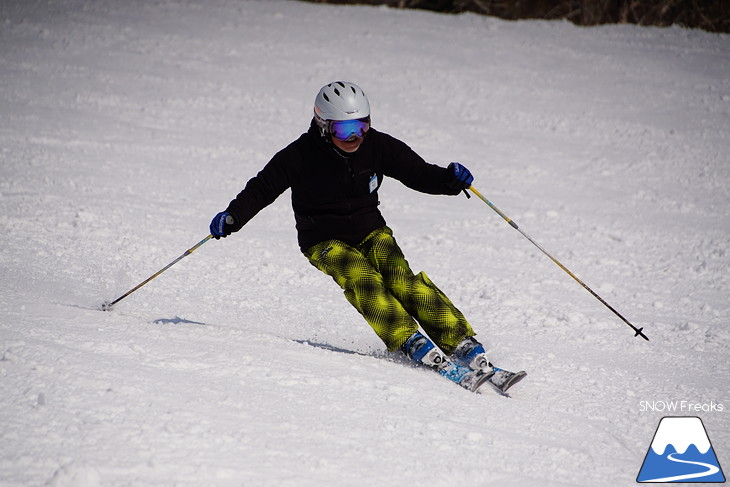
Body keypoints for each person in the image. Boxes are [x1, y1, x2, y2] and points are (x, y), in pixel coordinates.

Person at [210, 81, 523, 393]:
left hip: (371, 231)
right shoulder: (299, 156)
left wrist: (450, 179)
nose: (355, 137)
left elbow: (419, 173)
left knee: (402, 279)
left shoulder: (378, 146)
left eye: (361, 126)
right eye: (344, 129)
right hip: (323, 240)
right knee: (362, 278)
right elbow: (261, 188)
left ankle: (461, 342)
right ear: (322, 125)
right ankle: (409, 340)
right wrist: (234, 217)